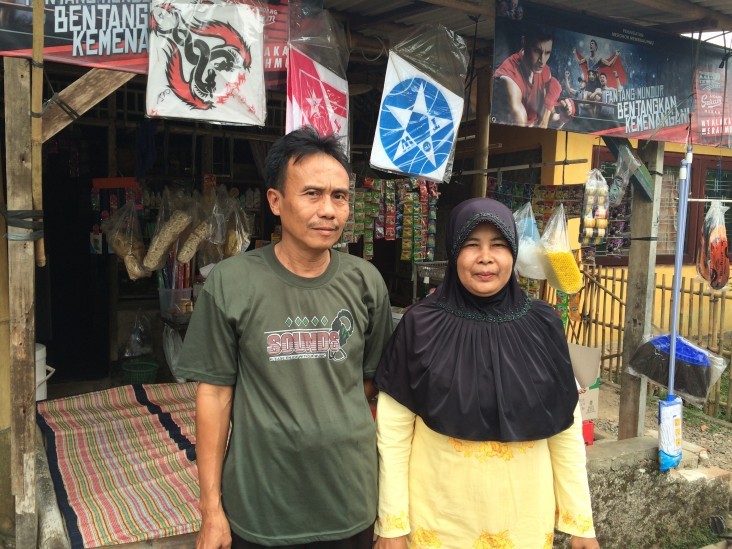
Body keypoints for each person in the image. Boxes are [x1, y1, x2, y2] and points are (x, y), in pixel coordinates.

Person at [176, 126, 394, 549]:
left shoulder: (366, 282)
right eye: (312, 194)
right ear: (275, 201)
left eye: (340, 196)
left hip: (349, 501)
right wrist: (211, 510)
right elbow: (214, 397)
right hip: (261, 506)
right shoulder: (232, 281)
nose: (329, 210)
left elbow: (373, 383)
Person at [373, 198, 599, 549]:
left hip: (523, 521)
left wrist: (581, 523)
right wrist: (392, 525)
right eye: (471, 245)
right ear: (453, 253)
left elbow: (565, 428)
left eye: (498, 245)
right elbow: (393, 432)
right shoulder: (421, 324)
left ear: (512, 252)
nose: (485, 258)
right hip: (438, 521)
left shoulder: (544, 325)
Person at [493, 25, 571, 129]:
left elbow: (550, 118)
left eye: (547, 53)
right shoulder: (509, 80)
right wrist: (547, 106)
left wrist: (562, 118)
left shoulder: (546, 72)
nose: (542, 61)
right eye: (537, 51)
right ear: (524, 42)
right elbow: (525, 135)